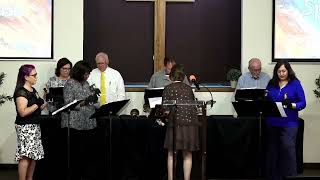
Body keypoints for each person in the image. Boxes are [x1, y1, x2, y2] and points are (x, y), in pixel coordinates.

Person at [265, 60, 306, 180]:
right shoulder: (271, 84)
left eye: (284, 71)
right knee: (273, 150)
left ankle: (290, 176)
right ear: (276, 72)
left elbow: (303, 103)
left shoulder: (295, 84)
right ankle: (274, 176)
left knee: (288, 148)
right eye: (279, 71)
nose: (281, 74)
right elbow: (267, 98)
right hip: (272, 122)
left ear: (288, 71)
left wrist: (292, 105)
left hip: (289, 122)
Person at [61, 60, 99, 180]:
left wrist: (95, 101)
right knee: (76, 154)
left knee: (87, 154)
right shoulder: (70, 84)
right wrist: (85, 102)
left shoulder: (87, 83)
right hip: (74, 124)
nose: (87, 75)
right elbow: (69, 104)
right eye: (85, 73)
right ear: (79, 72)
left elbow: (92, 102)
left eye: (88, 73)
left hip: (88, 122)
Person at [162, 64, 199, 180]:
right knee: (187, 154)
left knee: (171, 154)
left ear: (171, 76)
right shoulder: (188, 89)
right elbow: (194, 107)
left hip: (175, 124)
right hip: (190, 124)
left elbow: (165, 110)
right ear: (183, 77)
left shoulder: (168, 89)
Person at [13, 64, 47, 180]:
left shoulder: (33, 90)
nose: (36, 77)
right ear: (26, 77)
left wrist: (45, 100)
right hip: (25, 127)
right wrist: (37, 103)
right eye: (34, 75)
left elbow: (38, 108)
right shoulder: (21, 92)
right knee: (25, 157)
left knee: (33, 156)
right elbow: (23, 112)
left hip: (34, 125)